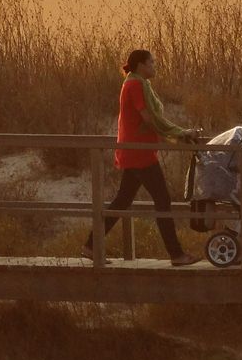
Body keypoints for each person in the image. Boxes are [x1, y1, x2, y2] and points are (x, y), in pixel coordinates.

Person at [82, 49, 202, 266]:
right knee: (163, 201)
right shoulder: (136, 85)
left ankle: (91, 245)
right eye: (152, 63)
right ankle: (176, 255)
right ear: (140, 65)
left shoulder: (133, 82)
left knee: (123, 200)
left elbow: (150, 119)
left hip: (134, 150)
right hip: (139, 153)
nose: (155, 66)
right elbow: (148, 118)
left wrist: (172, 134)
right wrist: (179, 133)